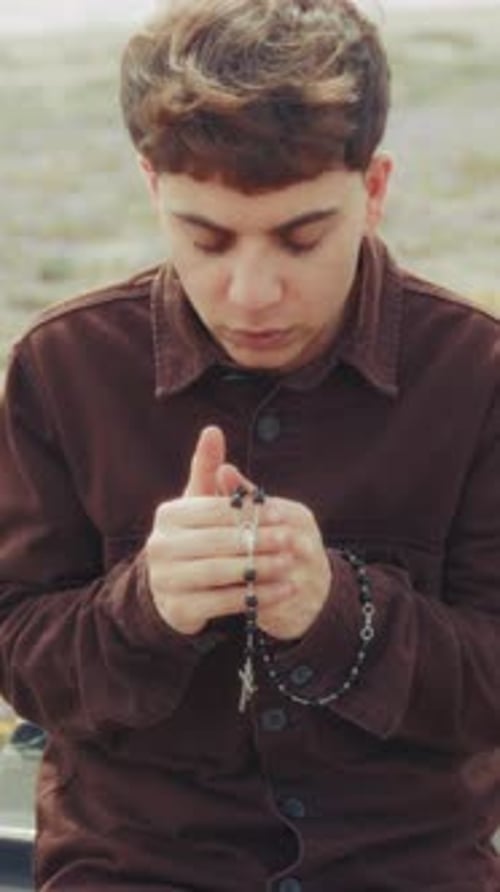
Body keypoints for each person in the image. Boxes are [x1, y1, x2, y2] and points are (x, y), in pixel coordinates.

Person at [0, 0, 499, 889]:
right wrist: (143, 608)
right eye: (206, 237)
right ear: (153, 188)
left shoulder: (480, 371)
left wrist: (341, 612)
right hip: (136, 870)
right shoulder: (60, 367)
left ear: (375, 190)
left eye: (303, 237)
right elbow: (19, 660)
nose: (252, 293)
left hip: (405, 870)